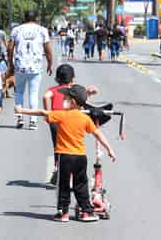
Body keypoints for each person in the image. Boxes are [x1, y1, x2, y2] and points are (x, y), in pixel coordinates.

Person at [15, 84, 117, 222]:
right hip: (81, 157)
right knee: (81, 185)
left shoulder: (62, 115)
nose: (64, 99)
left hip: (65, 156)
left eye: (66, 98)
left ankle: (63, 213)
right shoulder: (85, 118)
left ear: (73, 102)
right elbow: (97, 133)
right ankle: (87, 212)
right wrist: (109, 149)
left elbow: (42, 113)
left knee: (64, 185)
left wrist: (22, 110)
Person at [43, 64, 98, 185]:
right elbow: (81, 99)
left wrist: (48, 113)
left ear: (57, 79)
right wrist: (89, 93)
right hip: (71, 120)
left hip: (56, 120)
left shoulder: (53, 90)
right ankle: (71, 172)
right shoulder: (74, 90)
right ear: (73, 78)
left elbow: (46, 96)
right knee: (73, 144)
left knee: (58, 146)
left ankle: (59, 168)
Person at [7, 10, 53, 130]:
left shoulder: (16, 30)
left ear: (24, 18)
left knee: (19, 93)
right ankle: (33, 121)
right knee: (33, 93)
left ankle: (20, 117)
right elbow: (47, 49)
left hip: (20, 66)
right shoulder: (42, 30)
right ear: (36, 18)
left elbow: (10, 48)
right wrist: (50, 63)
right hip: (35, 67)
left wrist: (10, 64)